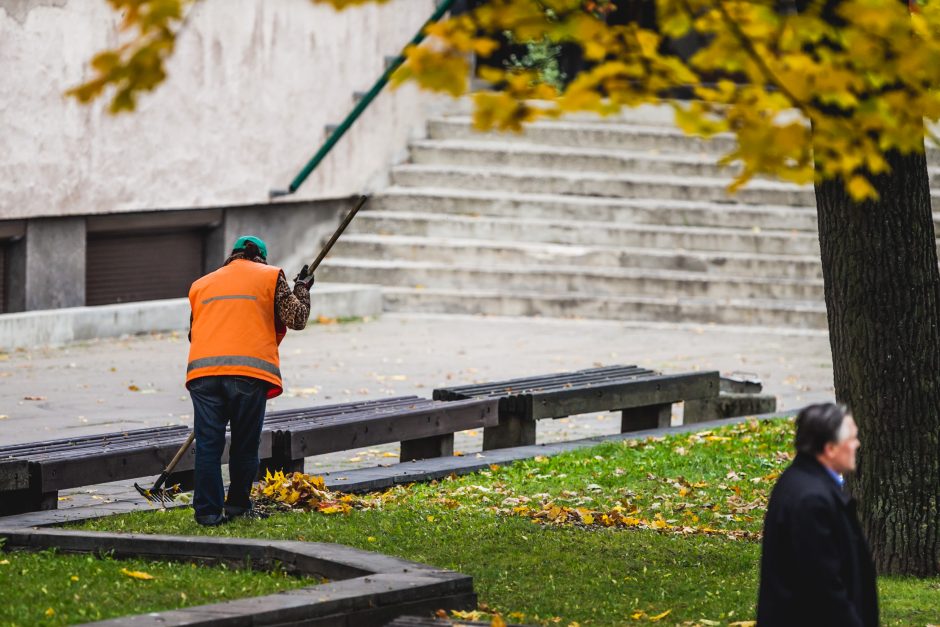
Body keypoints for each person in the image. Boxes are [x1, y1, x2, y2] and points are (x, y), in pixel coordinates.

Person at [186, 235, 314, 526]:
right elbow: (296, 319)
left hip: (203, 375)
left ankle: (207, 513)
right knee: (244, 444)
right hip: (247, 374)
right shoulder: (270, 276)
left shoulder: (201, 284)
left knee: (208, 445)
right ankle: (238, 506)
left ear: (232, 256)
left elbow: (195, 333)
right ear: (261, 258)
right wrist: (302, 289)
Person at [757, 403, 878, 626]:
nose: (857, 444)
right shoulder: (811, 500)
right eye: (851, 439)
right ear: (830, 448)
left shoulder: (800, 481)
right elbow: (824, 588)